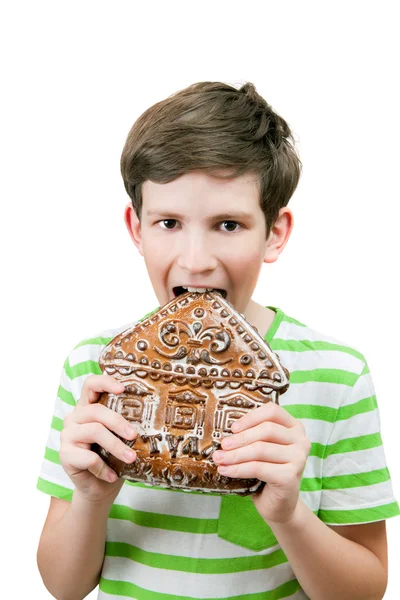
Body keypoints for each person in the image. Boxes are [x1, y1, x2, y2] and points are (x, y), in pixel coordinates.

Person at [37, 81, 399, 600]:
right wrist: (92, 497)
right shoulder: (94, 369)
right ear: (136, 229)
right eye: (168, 222)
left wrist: (288, 513)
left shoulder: (338, 376)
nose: (197, 259)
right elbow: (62, 586)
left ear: (275, 232)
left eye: (228, 224)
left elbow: (364, 591)